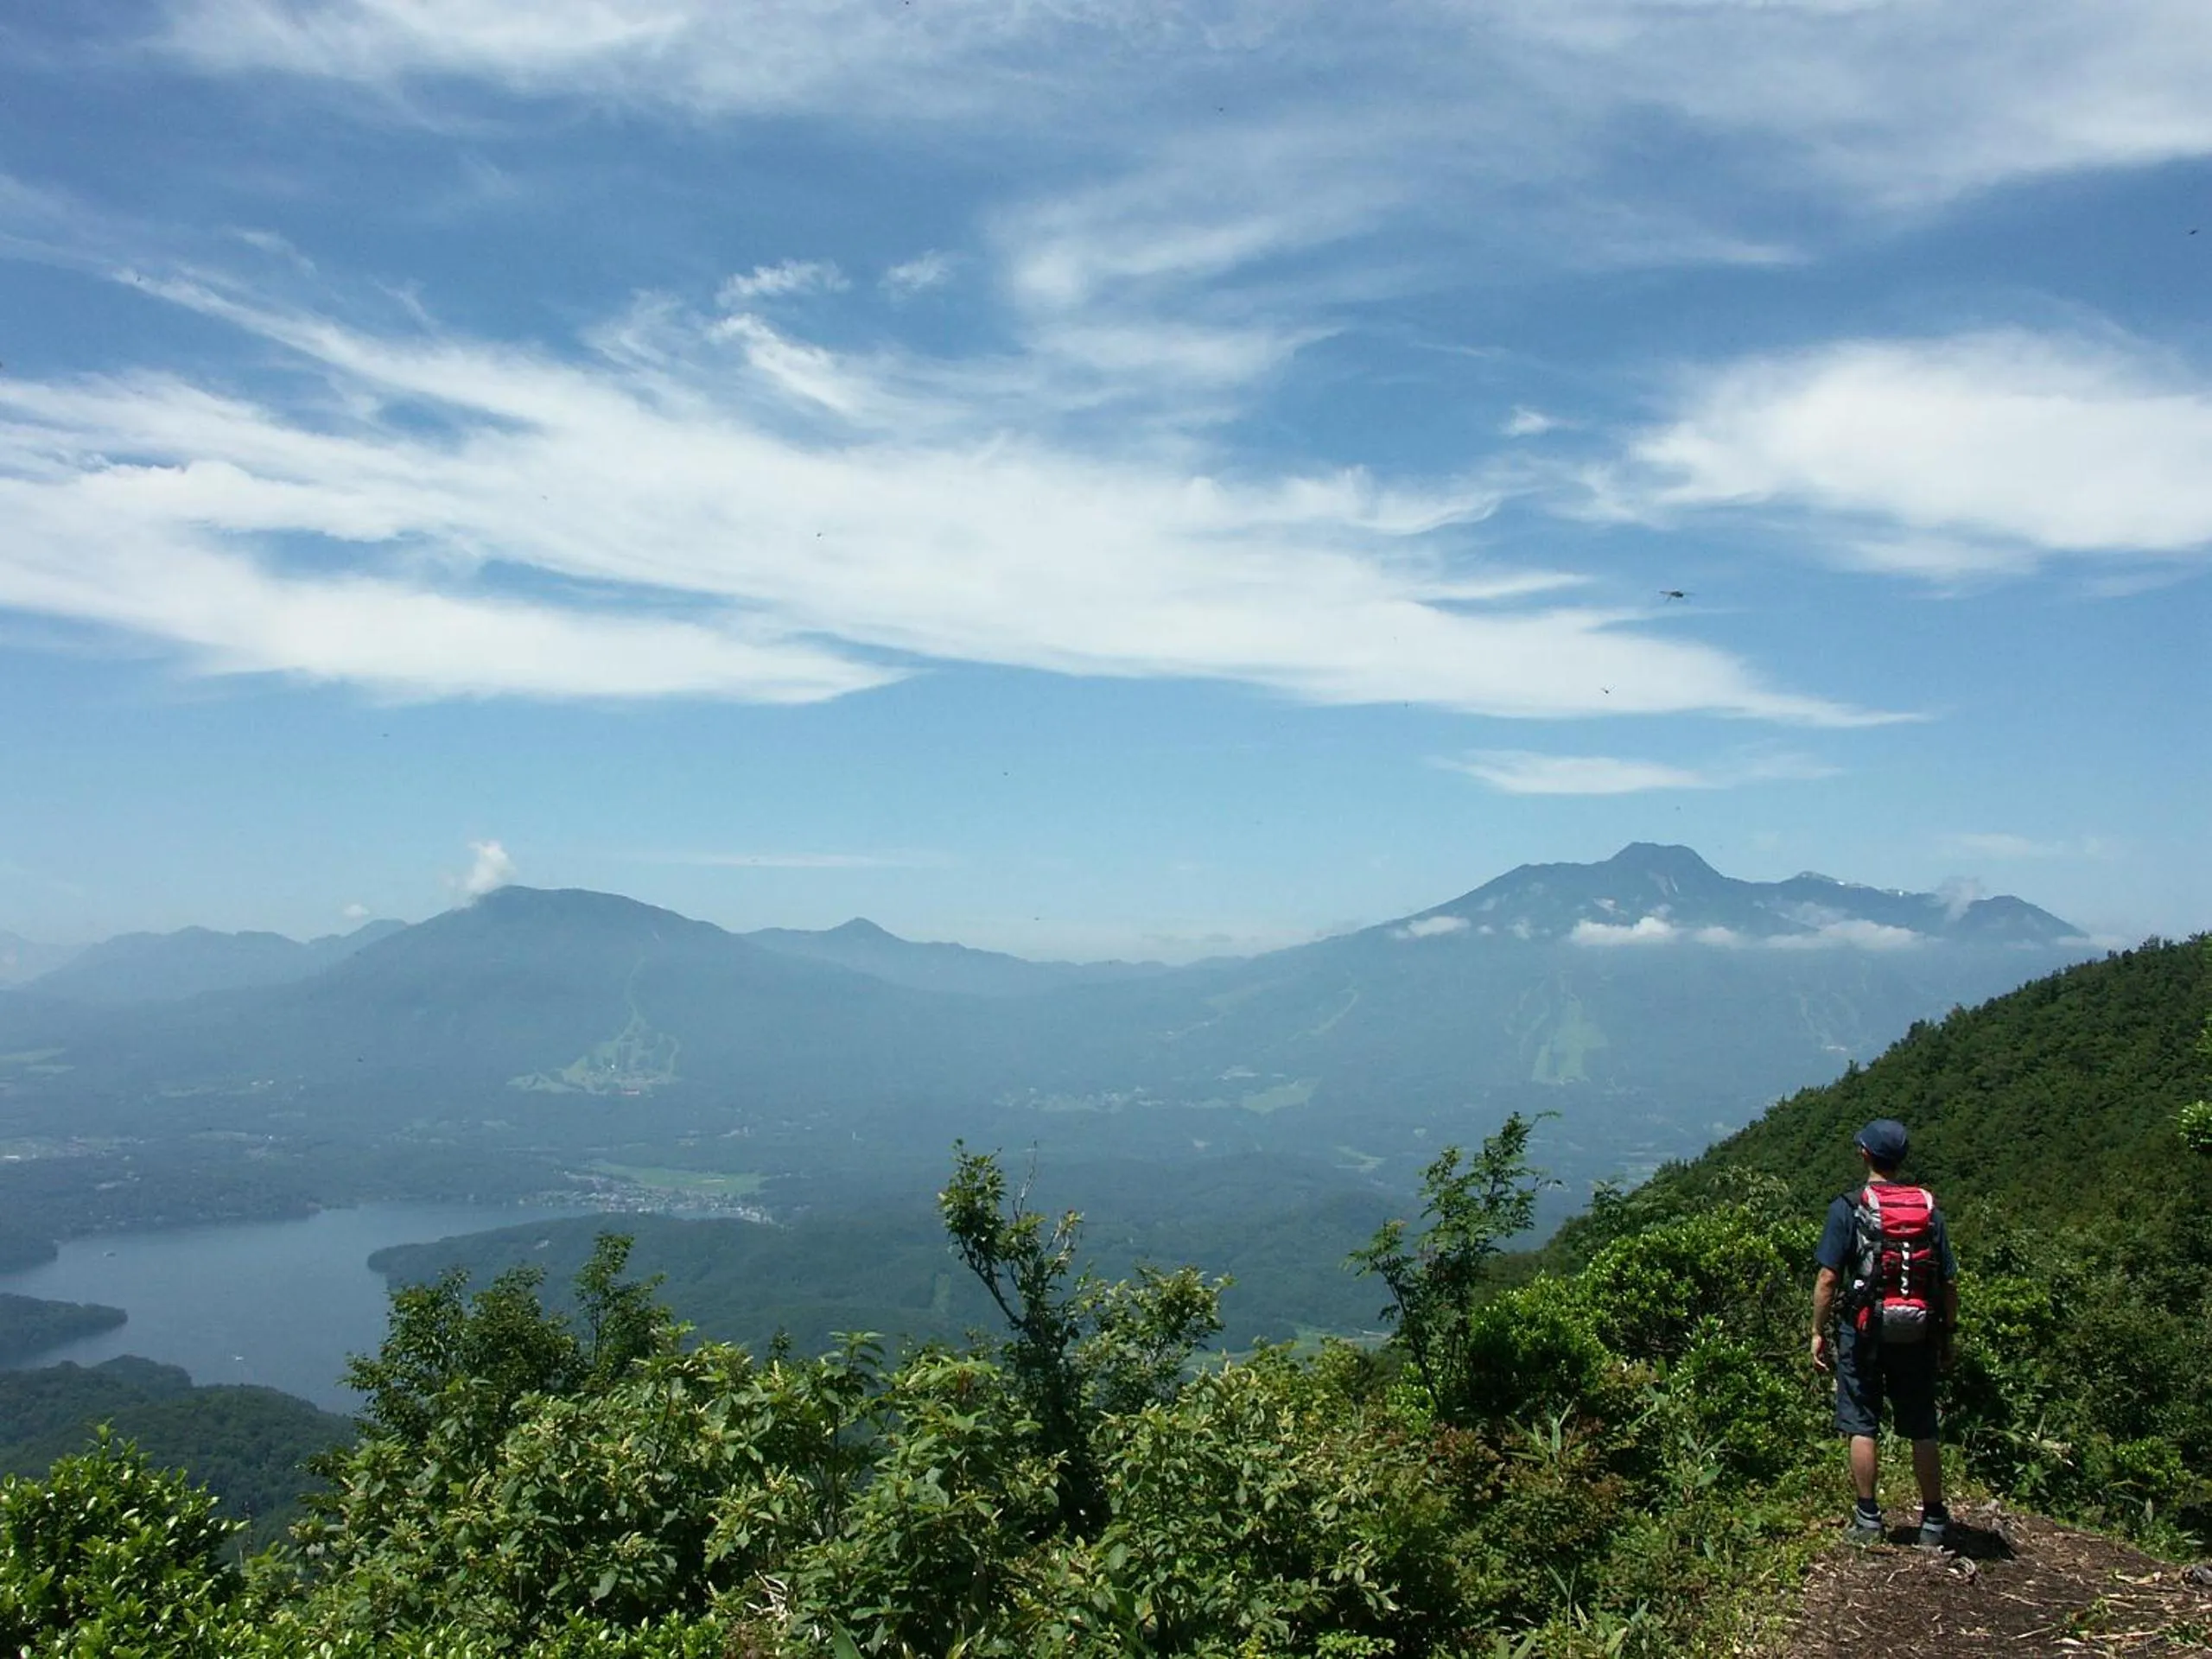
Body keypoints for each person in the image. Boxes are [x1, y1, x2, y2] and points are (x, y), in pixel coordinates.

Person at [1809, 1118, 1960, 1546]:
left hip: (1865, 1331)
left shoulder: (1849, 1207)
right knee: (1922, 1424)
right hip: (1918, 1332)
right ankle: (1933, 1521)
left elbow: (1827, 1278)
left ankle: (1869, 1519)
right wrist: (1947, 1333)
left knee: (1862, 1422)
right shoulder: (1929, 1209)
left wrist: (1817, 1331)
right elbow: (1948, 1281)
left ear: (1865, 1155)